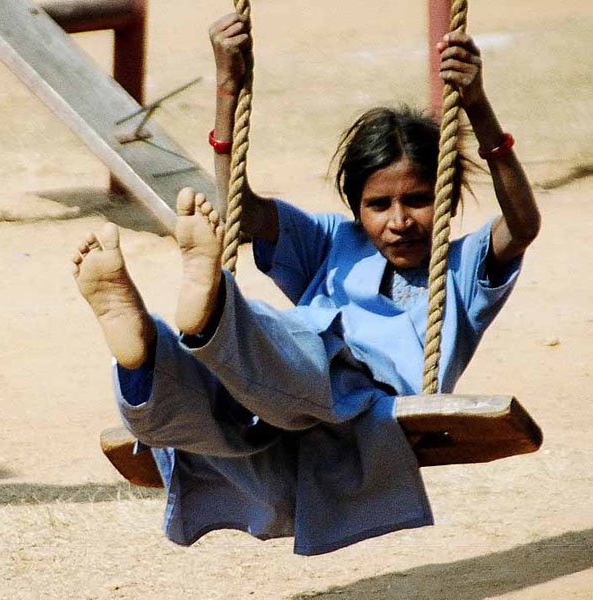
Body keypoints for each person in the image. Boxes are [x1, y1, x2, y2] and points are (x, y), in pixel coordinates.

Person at [71, 13, 540, 556]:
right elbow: (241, 213)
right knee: (205, 410)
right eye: (378, 205)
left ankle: (217, 313)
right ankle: (144, 355)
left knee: (297, 340)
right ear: (355, 207)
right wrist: (228, 87)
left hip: (362, 393)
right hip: (280, 396)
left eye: (417, 199)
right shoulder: (329, 242)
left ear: (448, 196)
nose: (400, 221)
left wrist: (478, 107)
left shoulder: (461, 269)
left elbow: (522, 224)